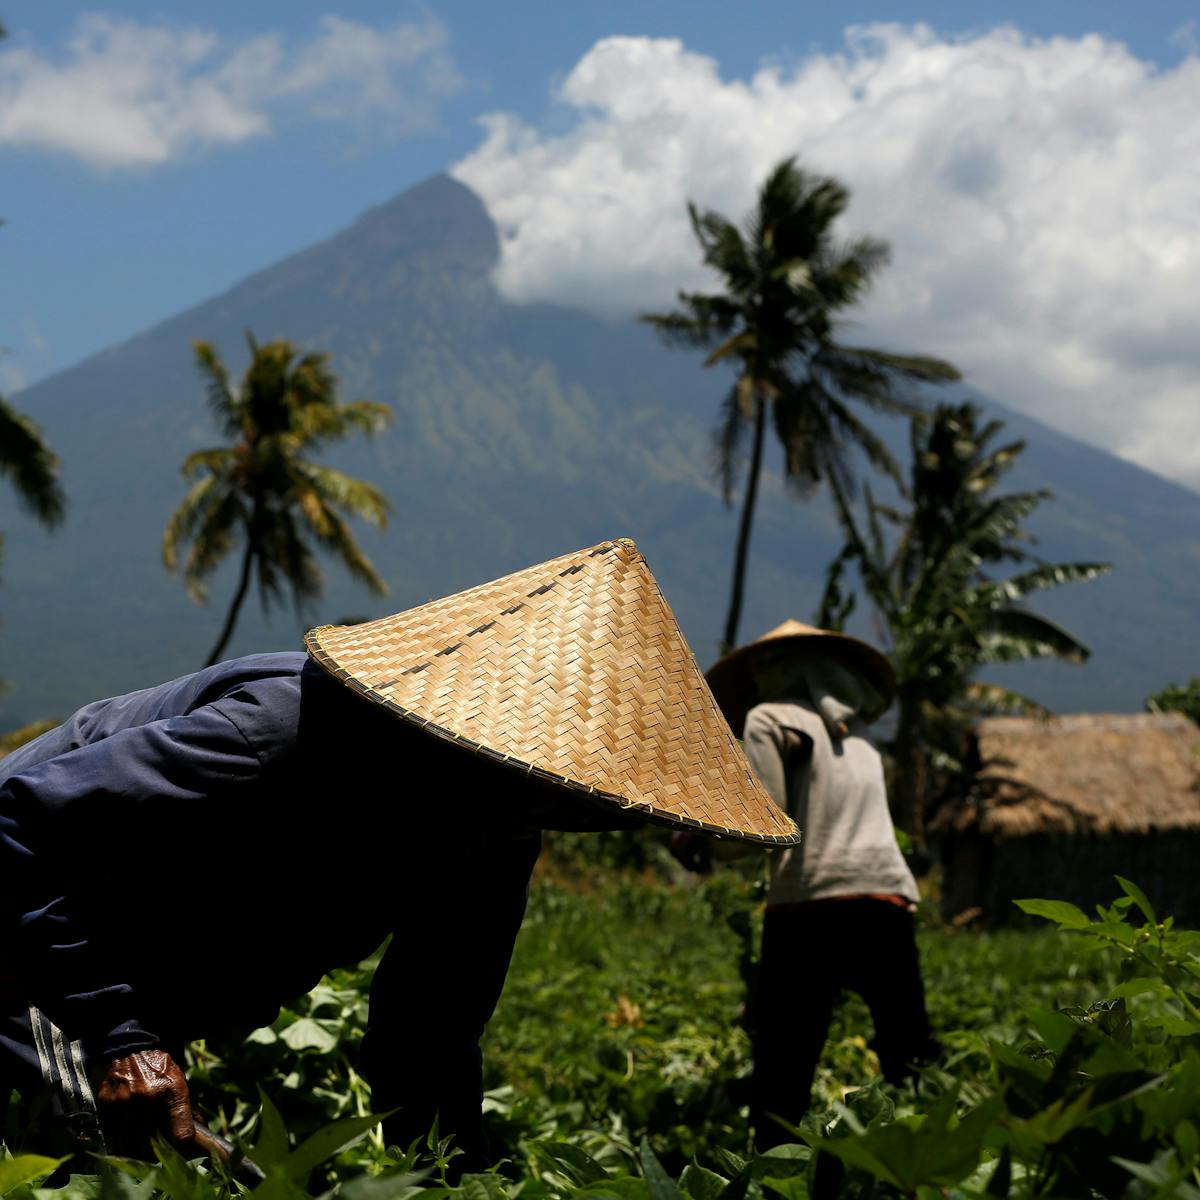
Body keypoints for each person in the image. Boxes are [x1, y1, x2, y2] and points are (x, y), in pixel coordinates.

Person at [0, 538, 795, 1169]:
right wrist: (123, 1036)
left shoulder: (497, 832)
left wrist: (453, 1178)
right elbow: (19, 828)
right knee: (84, 1159)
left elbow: (429, 1034)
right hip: (32, 931)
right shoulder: (285, 731)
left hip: (134, 976)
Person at [697, 621, 940, 1143]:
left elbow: (770, 825)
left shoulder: (769, 718)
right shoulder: (862, 736)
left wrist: (704, 842)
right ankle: (928, 1161)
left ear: (781, 670)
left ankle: (773, 1170)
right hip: (886, 899)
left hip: (809, 905)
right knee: (909, 1051)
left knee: (785, 1062)